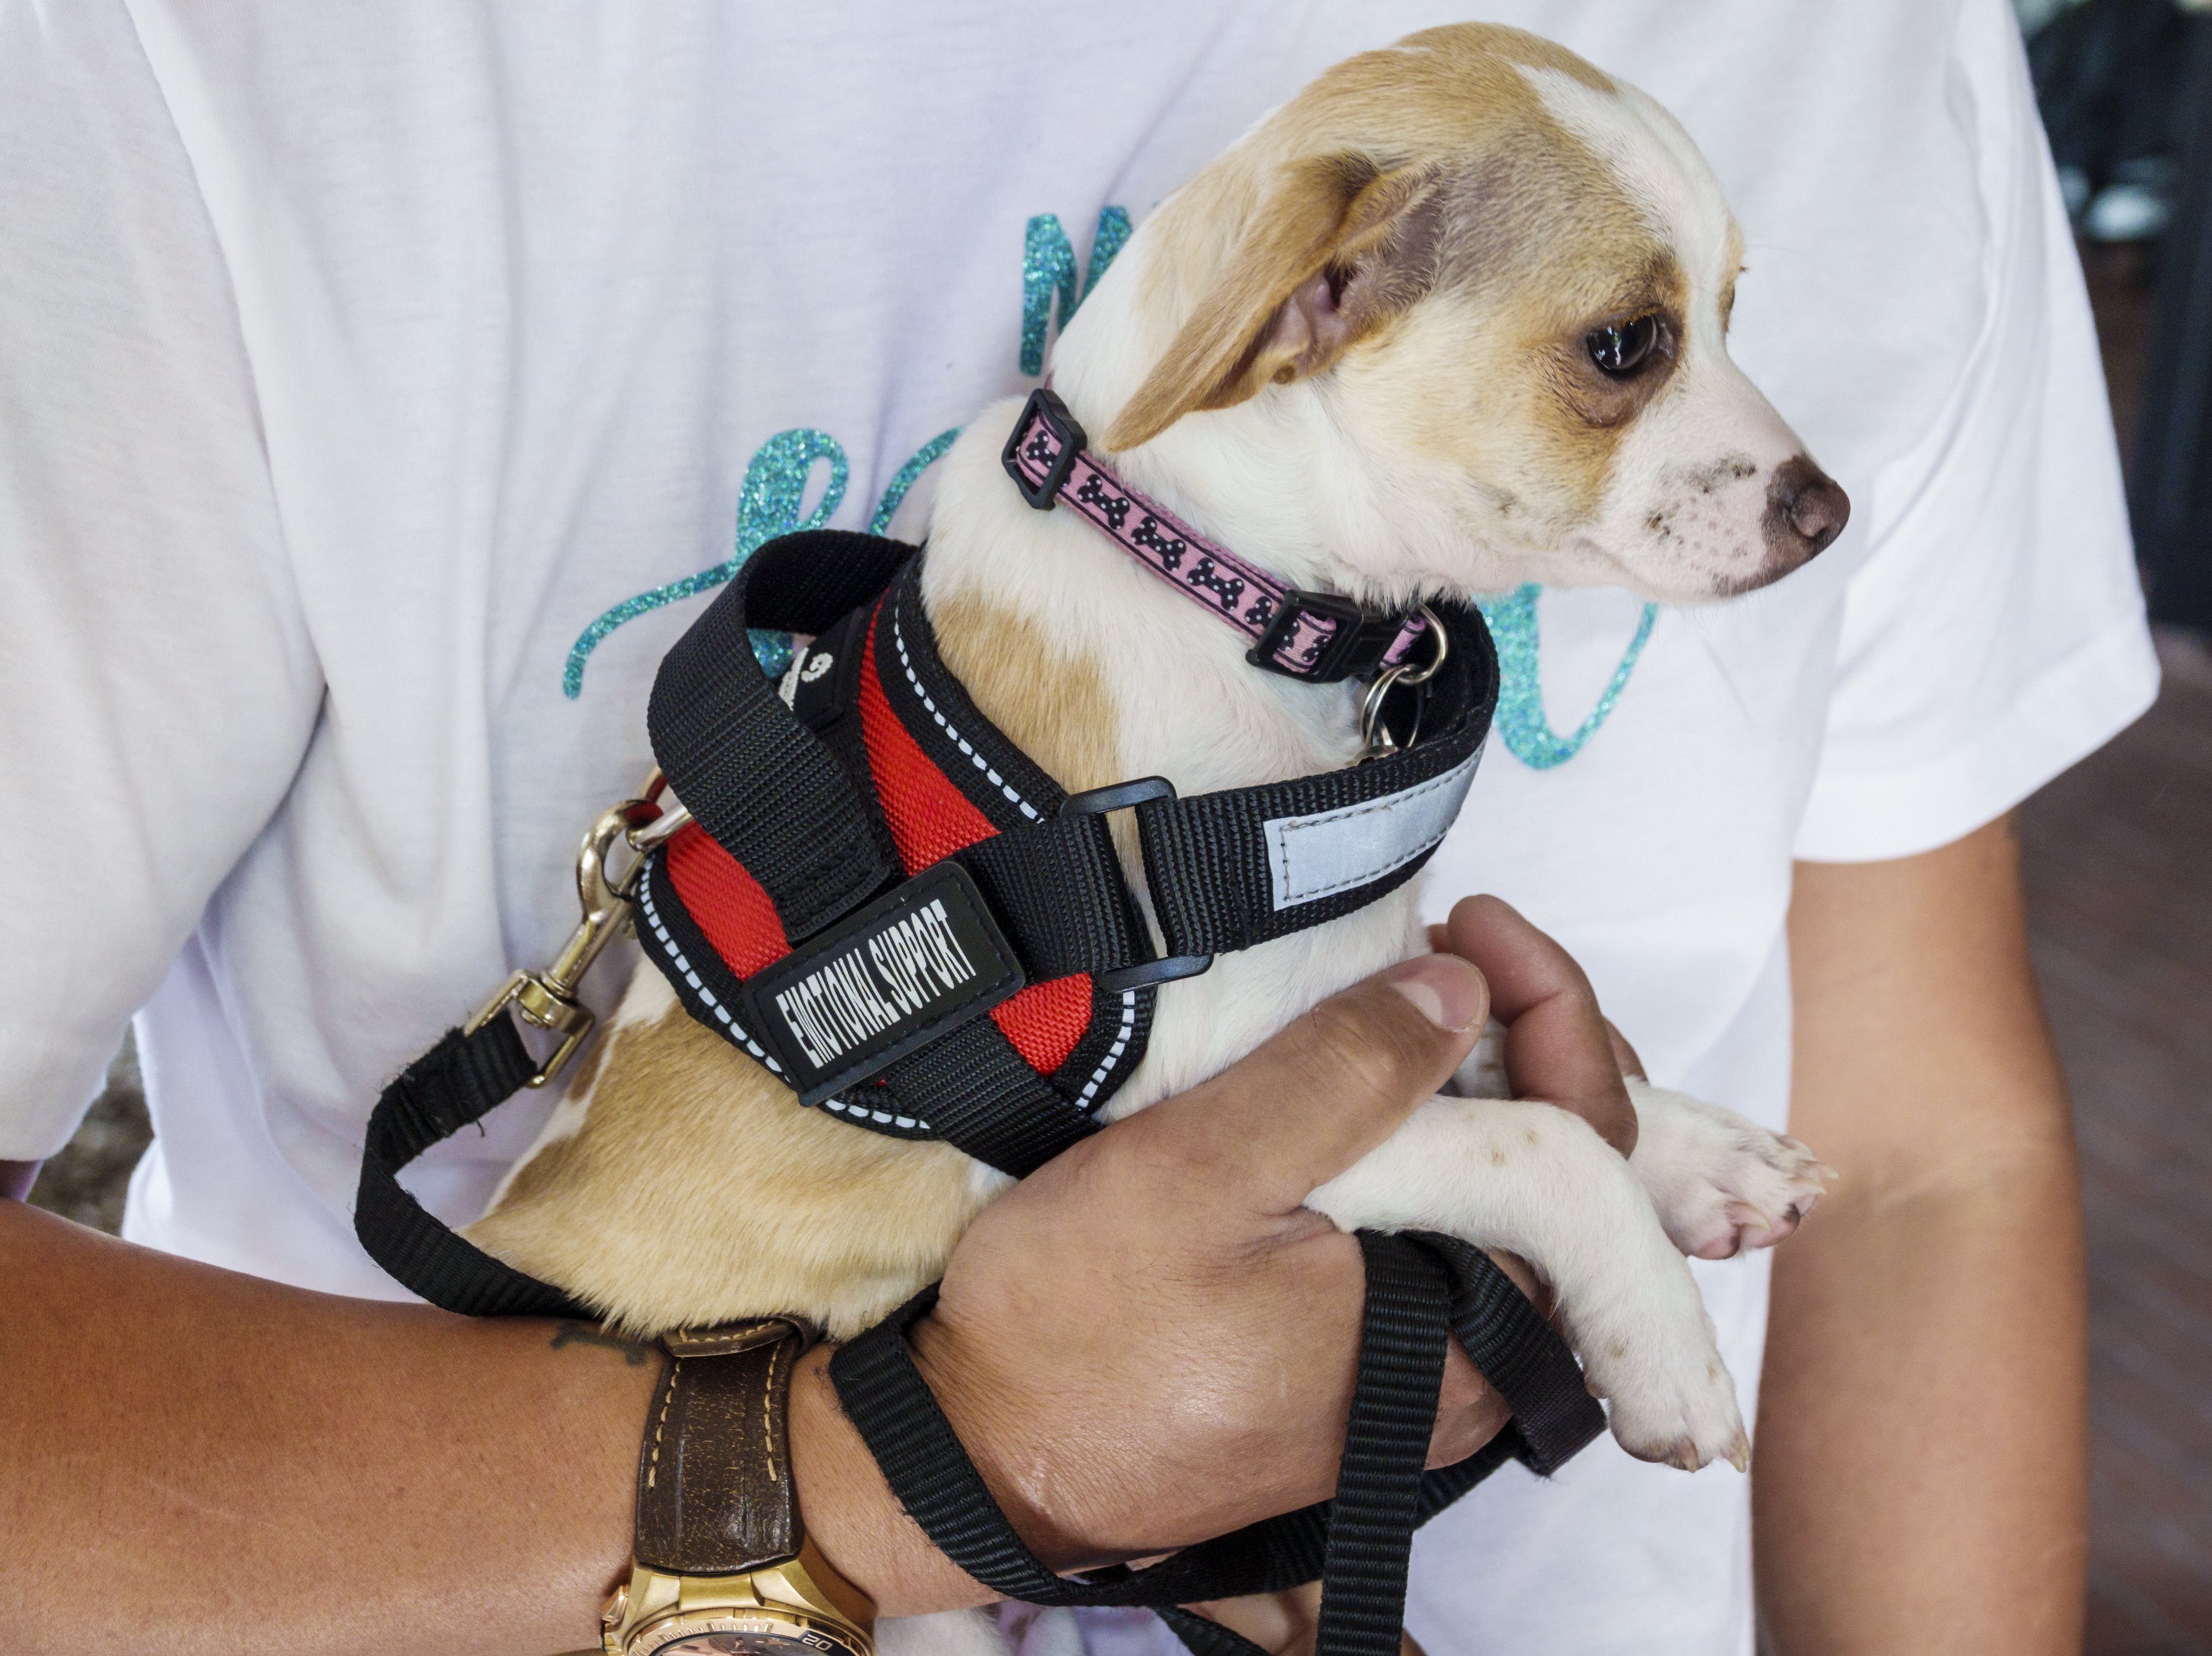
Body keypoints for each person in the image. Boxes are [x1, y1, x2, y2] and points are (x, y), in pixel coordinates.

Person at [0, 1, 2156, 1653]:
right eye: (1618, 354)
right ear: (1306, 313)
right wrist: (917, 1466)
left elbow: (1925, 1164)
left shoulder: (1880, 45)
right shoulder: (225, 63)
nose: (1760, 449)